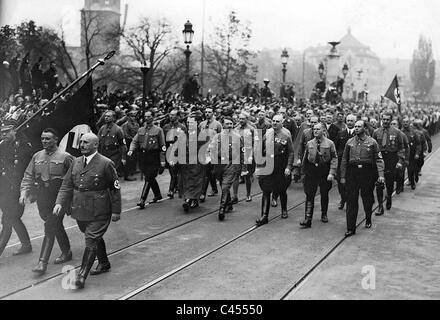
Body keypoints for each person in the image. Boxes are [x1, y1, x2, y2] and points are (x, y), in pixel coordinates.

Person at [53, 133, 121, 289]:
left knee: (91, 238)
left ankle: (81, 276)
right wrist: (59, 203)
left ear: (95, 145)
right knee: (91, 235)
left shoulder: (105, 163)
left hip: (100, 209)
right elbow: (67, 185)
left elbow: (115, 188)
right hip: (80, 209)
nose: (82, 145)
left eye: (86, 142)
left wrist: (116, 211)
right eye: (81, 142)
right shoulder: (76, 162)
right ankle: (104, 263)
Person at [19, 128, 73, 275]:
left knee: (50, 226)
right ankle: (67, 252)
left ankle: (42, 263)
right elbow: (28, 175)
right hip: (43, 196)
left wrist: (70, 200)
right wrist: (24, 193)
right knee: (54, 224)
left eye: (48, 139)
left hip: (59, 196)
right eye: (42, 138)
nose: (44, 141)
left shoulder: (66, 157)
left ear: (56, 140)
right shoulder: (37, 156)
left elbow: (74, 177)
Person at [341, 120, 384, 237]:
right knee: (351, 201)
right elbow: (344, 160)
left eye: (359, 126)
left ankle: (368, 217)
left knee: (367, 198)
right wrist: (343, 176)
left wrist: (380, 175)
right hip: (353, 174)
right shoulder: (349, 142)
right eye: (355, 126)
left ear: (364, 128)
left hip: (367, 174)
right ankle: (350, 228)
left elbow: (379, 159)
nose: (356, 128)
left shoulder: (372, 142)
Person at [0, 125, 33, 257]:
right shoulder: (3, 145)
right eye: (2, 133)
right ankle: (26, 244)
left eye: (7, 132)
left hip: (17, 189)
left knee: (9, 218)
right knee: (12, 218)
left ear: (15, 131)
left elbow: (28, 169)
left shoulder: (23, 145)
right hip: (4, 189)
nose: (4, 135)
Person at [256, 114, 294, 226]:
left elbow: (291, 152)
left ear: (282, 123)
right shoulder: (267, 133)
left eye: (277, 121)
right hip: (268, 164)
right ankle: (264, 215)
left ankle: (284, 210)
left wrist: (288, 167)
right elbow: (261, 149)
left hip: (280, 165)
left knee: (282, 189)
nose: (275, 123)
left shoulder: (286, 134)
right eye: (273, 121)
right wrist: (259, 167)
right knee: (266, 190)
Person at [206, 116, 245, 221]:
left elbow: (242, 152)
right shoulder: (217, 136)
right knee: (224, 185)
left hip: (231, 164)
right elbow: (210, 148)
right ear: (223, 125)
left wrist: (242, 167)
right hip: (219, 164)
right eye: (227, 124)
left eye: (231, 124)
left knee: (225, 186)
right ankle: (228, 204)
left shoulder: (237, 137)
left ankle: (221, 209)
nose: (229, 126)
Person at [300, 123, 337, 228]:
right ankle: (308, 218)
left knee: (324, 193)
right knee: (309, 194)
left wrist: (331, 172)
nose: (315, 131)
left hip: (324, 170)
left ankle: (324, 213)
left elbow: (334, 158)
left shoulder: (330, 143)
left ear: (323, 130)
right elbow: (305, 158)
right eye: (314, 129)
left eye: (318, 129)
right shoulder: (310, 143)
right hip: (312, 170)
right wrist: (303, 173)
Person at [128, 111, 166, 209]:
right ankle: (157, 195)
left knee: (148, 177)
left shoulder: (158, 130)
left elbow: (162, 146)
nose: (146, 118)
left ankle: (142, 200)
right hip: (143, 156)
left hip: (153, 156)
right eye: (145, 116)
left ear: (153, 117)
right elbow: (135, 141)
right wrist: (131, 150)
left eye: (149, 116)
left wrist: (162, 160)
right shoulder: (140, 130)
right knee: (150, 177)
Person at [372, 113, 405, 214]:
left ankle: (389, 196)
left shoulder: (397, 132)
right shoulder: (376, 132)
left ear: (390, 120)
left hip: (392, 159)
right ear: (381, 119)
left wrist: (400, 161)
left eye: (387, 119)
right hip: (380, 158)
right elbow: (372, 147)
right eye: (384, 119)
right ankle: (380, 206)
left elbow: (401, 148)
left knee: (389, 182)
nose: (385, 121)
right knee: (379, 183)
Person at [199, 108, 222, 202]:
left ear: (213, 113)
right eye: (206, 112)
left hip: (213, 150)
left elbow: (221, 137)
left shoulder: (217, 124)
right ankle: (211, 190)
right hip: (204, 150)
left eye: (209, 112)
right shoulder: (202, 124)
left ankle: (205, 192)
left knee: (210, 171)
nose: (207, 114)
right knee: (207, 171)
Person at [162, 110, 187, 198]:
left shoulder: (182, 127)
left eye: (173, 115)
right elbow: (163, 141)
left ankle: (171, 189)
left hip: (179, 150)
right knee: (172, 171)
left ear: (177, 116)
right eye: (170, 115)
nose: (171, 117)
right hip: (169, 150)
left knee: (177, 171)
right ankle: (175, 186)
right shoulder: (166, 127)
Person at [232, 112, 255, 203]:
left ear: (247, 119)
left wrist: (252, 155)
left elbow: (256, 143)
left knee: (247, 176)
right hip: (237, 154)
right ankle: (235, 196)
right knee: (236, 175)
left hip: (248, 153)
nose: (241, 120)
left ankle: (248, 194)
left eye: (243, 119)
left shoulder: (252, 129)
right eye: (240, 119)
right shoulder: (236, 129)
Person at [334, 114, 356, 210]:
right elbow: (335, 147)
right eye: (348, 120)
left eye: (351, 120)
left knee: (351, 183)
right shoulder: (341, 133)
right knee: (340, 183)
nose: (349, 122)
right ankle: (343, 199)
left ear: (355, 122)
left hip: (353, 163)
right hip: (341, 163)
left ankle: (350, 202)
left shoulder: (357, 134)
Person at [97, 110, 127, 176]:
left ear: (113, 118)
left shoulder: (118, 129)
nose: (106, 118)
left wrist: (123, 158)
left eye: (108, 116)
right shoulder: (102, 128)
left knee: (111, 173)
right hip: (104, 153)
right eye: (105, 116)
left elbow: (123, 145)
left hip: (114, 154)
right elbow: (97, 142)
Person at [400, 118, 421, 190]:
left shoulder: (413, 132)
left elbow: (418, 144)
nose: (405, 123)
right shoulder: (400, 132)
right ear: (402, 123)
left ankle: (412, 182)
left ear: (409, 123)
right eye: (404, 122)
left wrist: (417, 153)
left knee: (411, 170)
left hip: (411, 155)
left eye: (406, 122)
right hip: (403, 155)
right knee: (401, 171)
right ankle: (401, 186)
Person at [121, 110, 140, 181]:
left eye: (134, 116)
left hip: (135, 144)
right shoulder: (125, 125)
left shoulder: (136, 124)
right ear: (128, 117)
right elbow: (125, 134)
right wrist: (133, 139)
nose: (133, 118)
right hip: (128, 143)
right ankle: (127, 175)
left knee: (133, 159)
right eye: (132, 116)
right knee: (128, 159)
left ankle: (132, 172)